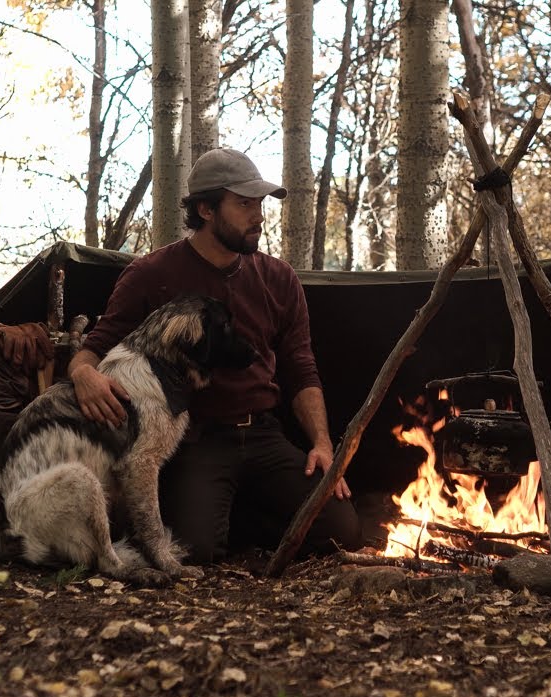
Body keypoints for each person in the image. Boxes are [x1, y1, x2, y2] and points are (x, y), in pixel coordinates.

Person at [68, 147, 361, 565]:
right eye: (244, 204)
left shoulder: (280, 278)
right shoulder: (151, 274)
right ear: (205, 209)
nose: (258, 215)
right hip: (196, 439)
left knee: (342, 532)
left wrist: (321, 443)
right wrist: (82, 375)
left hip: (264, 435)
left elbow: (301, 368)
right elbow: (95, 346)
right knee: (196, 550)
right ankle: (214, 518)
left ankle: (233, 516)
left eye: (259, 204)